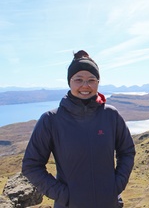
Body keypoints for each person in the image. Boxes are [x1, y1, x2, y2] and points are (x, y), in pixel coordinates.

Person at [22, 50, 136, 208]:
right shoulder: (51, 120)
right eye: (79, 80)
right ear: (69, 82)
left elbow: (127, 151)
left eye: (91, 80)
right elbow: (31, 165)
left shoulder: (111, 115)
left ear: (98, 82)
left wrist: (117, 185)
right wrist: (63, 195)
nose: (85, 86)